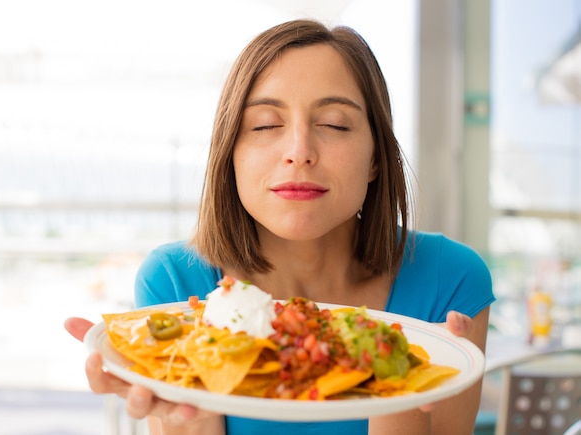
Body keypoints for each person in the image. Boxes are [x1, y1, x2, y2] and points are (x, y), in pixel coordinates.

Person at [65, 18, 494, 435]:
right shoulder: (174, 280)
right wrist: (185, 418)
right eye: (266, 125)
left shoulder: (452, 281)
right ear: (229, 154)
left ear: (377, 158)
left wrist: (404, 377)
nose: (299, 151)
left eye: (334, 125)